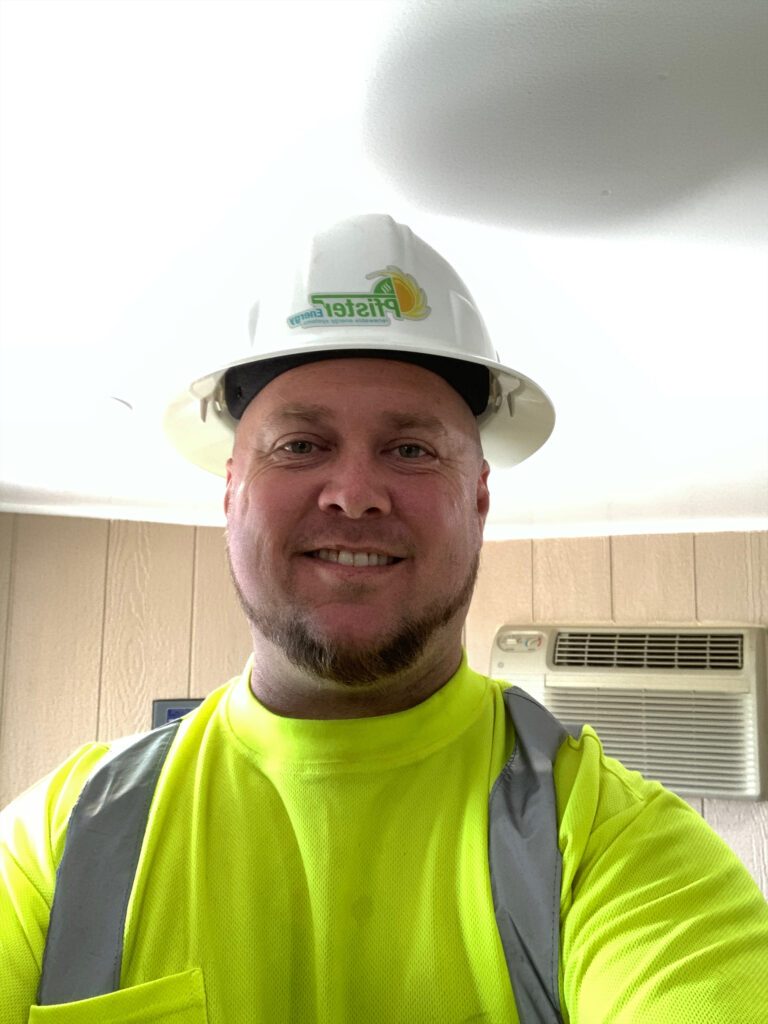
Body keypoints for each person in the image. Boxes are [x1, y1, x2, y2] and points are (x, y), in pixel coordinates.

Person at [1, 215, 766, 1023]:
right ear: (230, 492)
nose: (355, 494)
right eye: (300, 446)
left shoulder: (613, 842)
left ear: (478, 500)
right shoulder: (58, 840)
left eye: (411, 451)